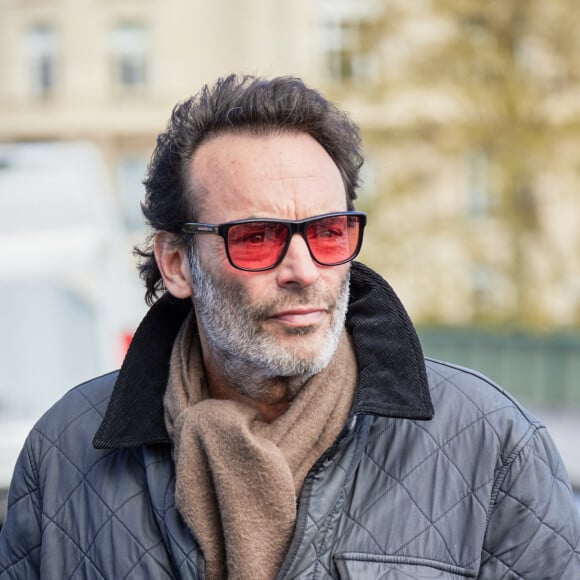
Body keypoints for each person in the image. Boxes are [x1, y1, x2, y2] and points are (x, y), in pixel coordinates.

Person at [1, 74, 579, 580]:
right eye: (257, 237)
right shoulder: (63, 456)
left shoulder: (490, 444)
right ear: (177, 263)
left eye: (328, 233)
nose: (304, 271)